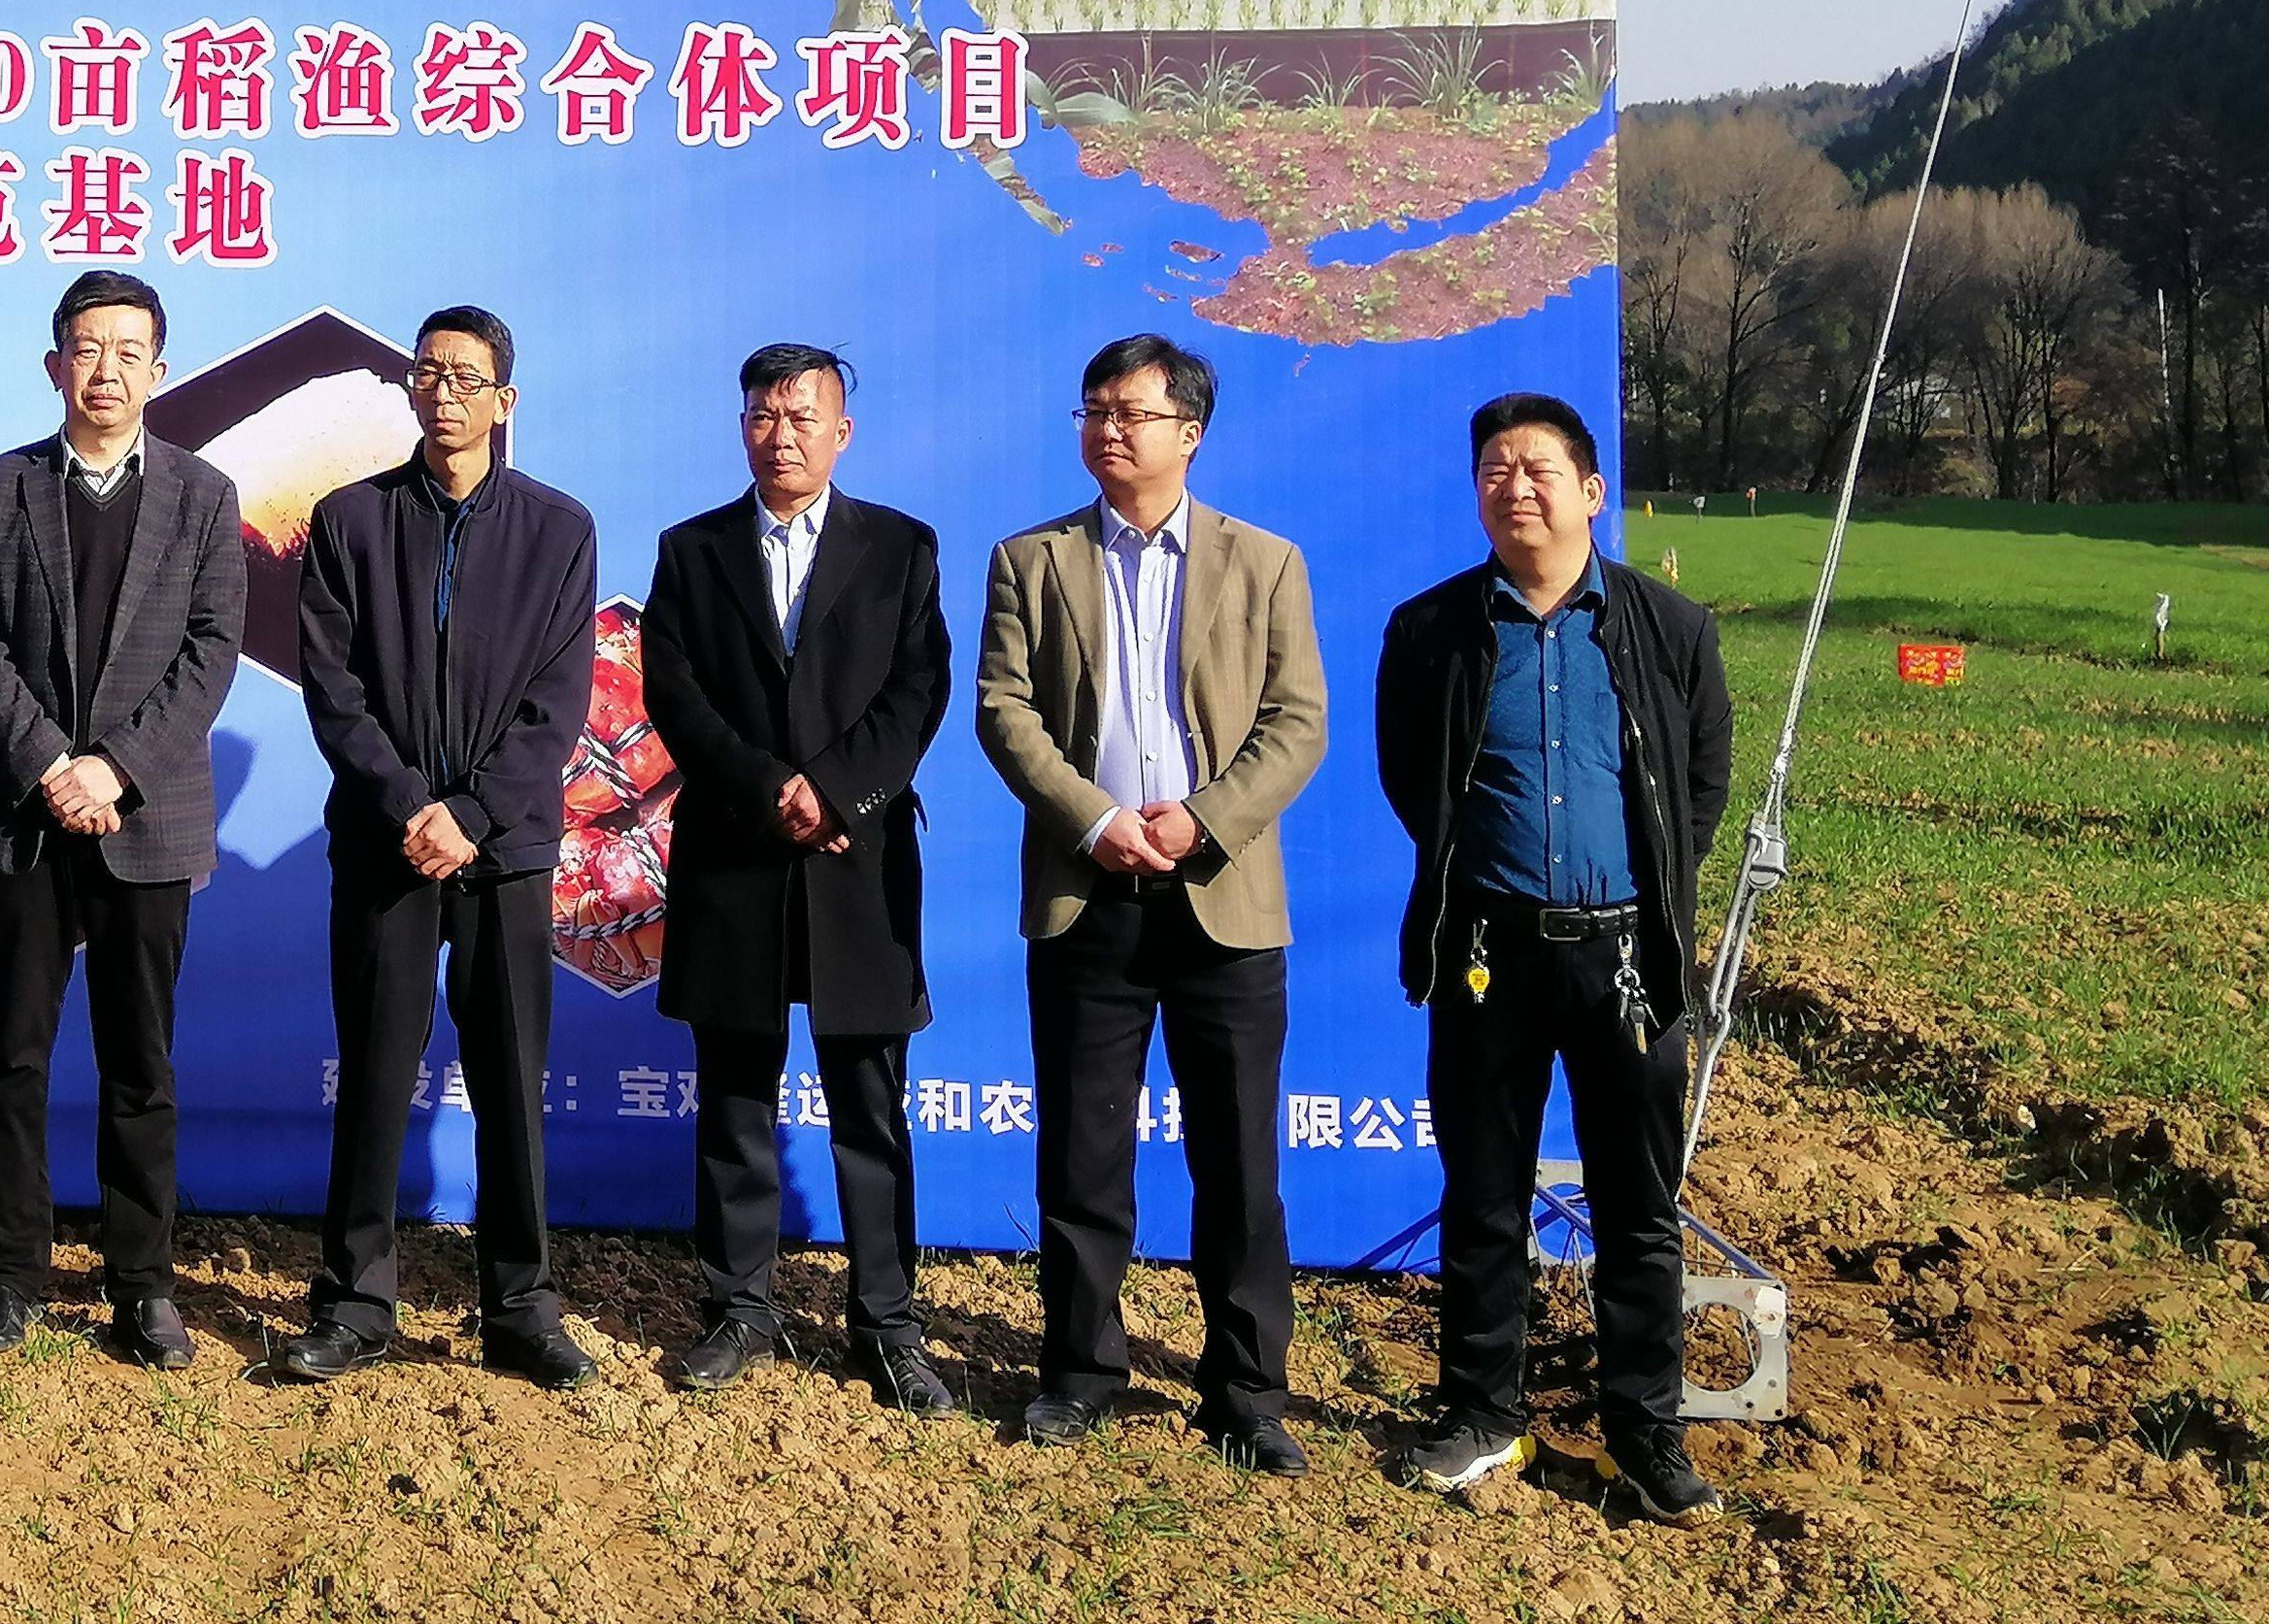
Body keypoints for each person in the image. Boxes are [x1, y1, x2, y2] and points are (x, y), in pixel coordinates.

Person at [1378, 392, 1734, 1523]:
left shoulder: (1668, 627)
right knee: (1484, 1194)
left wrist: (1637, 888)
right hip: (1490, 951)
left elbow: (1699, 787)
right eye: (1495, 469)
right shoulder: (1431, 630)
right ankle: (1482, 1414)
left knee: (1638, 1205)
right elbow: (1413, 782)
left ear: (1591, 491)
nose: (1514, 487)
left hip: (1627, 956)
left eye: (1538, 469)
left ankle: (1646, 1434)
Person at [974, 334, 1328, 1472]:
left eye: (1129, 412)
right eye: (1093, 410)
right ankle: (1080, 1373)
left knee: (1239, 1162)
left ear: (1190, 431)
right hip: (1090, 894)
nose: (1107, 430)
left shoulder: (1263, 561)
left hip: (1223, 896)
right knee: (1083, 1156)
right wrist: (1096, 820)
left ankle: (1247, 1393)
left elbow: (1297, 722)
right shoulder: (1031, 559)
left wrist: (1201, 821)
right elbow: (1005, 712)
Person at [276, 305, 602, 1391]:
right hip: (386, 843)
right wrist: (413, 806)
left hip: (507, 850)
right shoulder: (350, 520)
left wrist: (473, 813)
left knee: (510, 1080)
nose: (444, 392)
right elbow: (334, 690)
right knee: (375, 1073)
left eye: (467, 378)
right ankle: (354, 1302)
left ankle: (520, 1307)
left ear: (505, 401)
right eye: (428, 373)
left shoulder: (558, 529)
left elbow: (557, 702)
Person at [0, 269, 250, 1369]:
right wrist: (51, 766)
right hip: (22, 817)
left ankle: (141, 1283)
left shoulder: (205, 496)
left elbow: (211, 652)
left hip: (146, 819)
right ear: (53, 364)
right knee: (12, 1055)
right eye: (86, 347)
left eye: (127, 350)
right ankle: (8, 1277)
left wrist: (113, 769)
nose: (104, 369)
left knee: (140, 1063)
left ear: (159, 370)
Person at [636, 345, 957, 1408]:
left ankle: (888, 1323)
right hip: (736, 852)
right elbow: (675, 694)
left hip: (857, 863)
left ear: (842, 431)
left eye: (803, 416)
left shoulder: (901, 547)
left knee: (870, 1102)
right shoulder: (692, 550)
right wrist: (770, 788)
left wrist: (837, 794)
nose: (782, 435)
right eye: (764, 415)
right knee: (735, 1098)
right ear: (743, 426)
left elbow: (918, 692)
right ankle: (739, 1308)